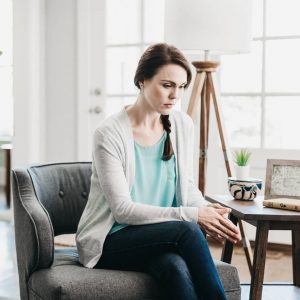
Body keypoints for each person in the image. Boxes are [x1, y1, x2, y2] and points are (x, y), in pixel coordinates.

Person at [76, 43, 241, 300]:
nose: (175, 95)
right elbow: (122, 210)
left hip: (161, 236)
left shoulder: (181, 124)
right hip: (112, 240)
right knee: (188, 229)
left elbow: (185, 185)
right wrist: (194, 215)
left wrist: (206, 211)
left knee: (175, 268)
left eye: (182, 87)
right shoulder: (109, 134)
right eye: (167, 85)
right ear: (142, 80)